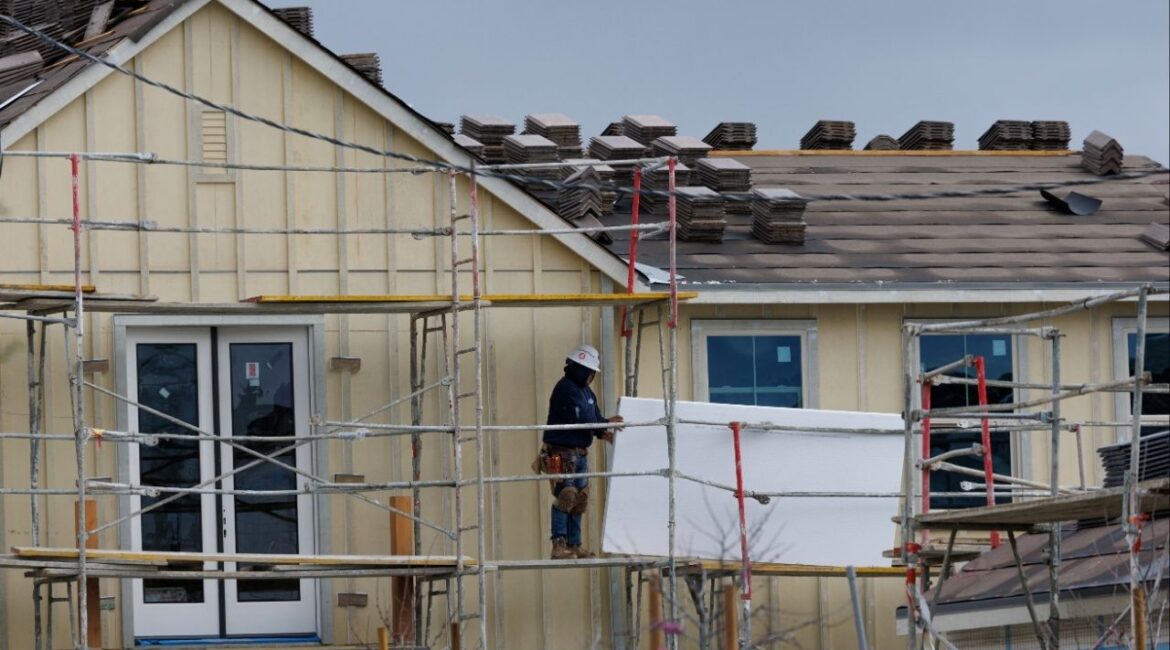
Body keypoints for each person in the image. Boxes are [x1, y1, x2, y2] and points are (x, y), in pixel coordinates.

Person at [541, 344, 622, 560]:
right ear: (584, 370)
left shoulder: (587, 392)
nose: (592, 377)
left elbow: (592, 418)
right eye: (591, 372)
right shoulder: (566, 389)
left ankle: (574, 545)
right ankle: (558, 546)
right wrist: (604, 424)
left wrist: (601, 431)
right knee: (566, 495)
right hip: (559, 452)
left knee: (580, 499)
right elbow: (584, 419)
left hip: (579, 454)